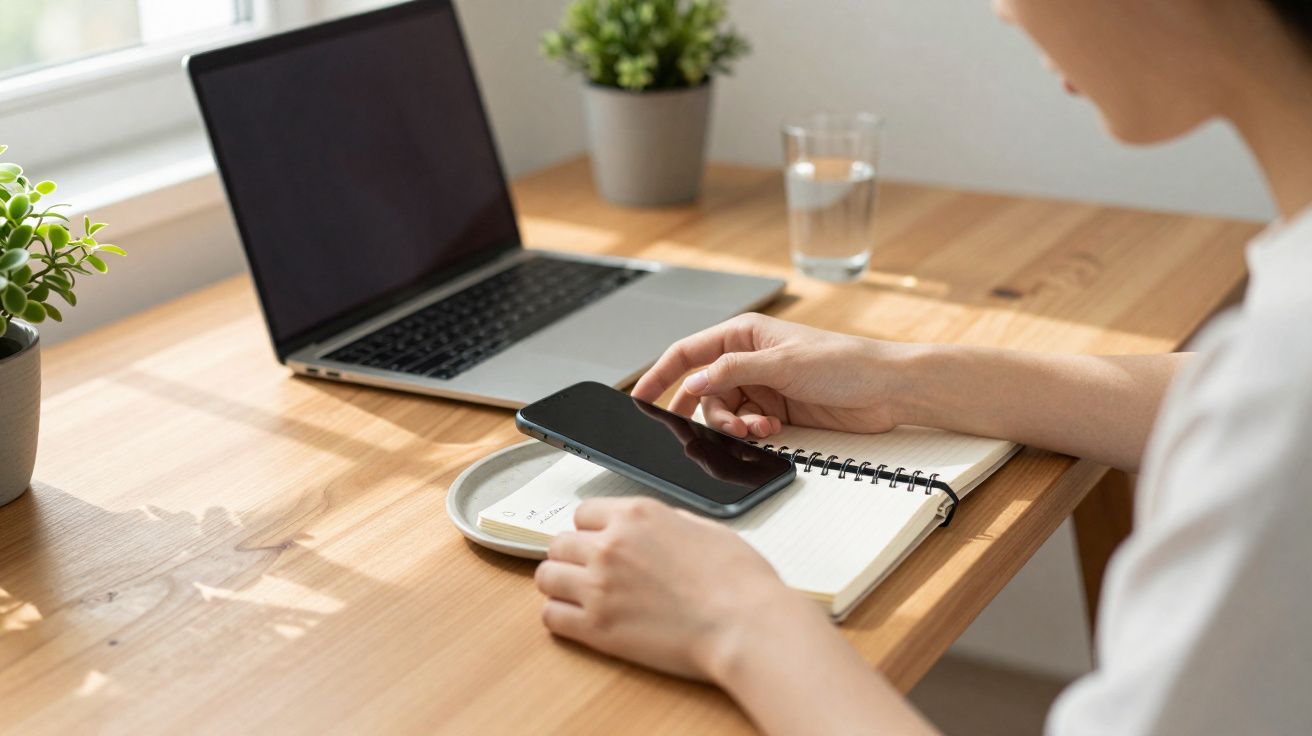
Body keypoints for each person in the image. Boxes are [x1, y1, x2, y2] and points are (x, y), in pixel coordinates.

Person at [531, 0, 1312, 732]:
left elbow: (1269, 409)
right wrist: (903, 377)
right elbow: (1232, 395)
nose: (1003, 9)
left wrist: (735, 618)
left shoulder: (1279, 398)